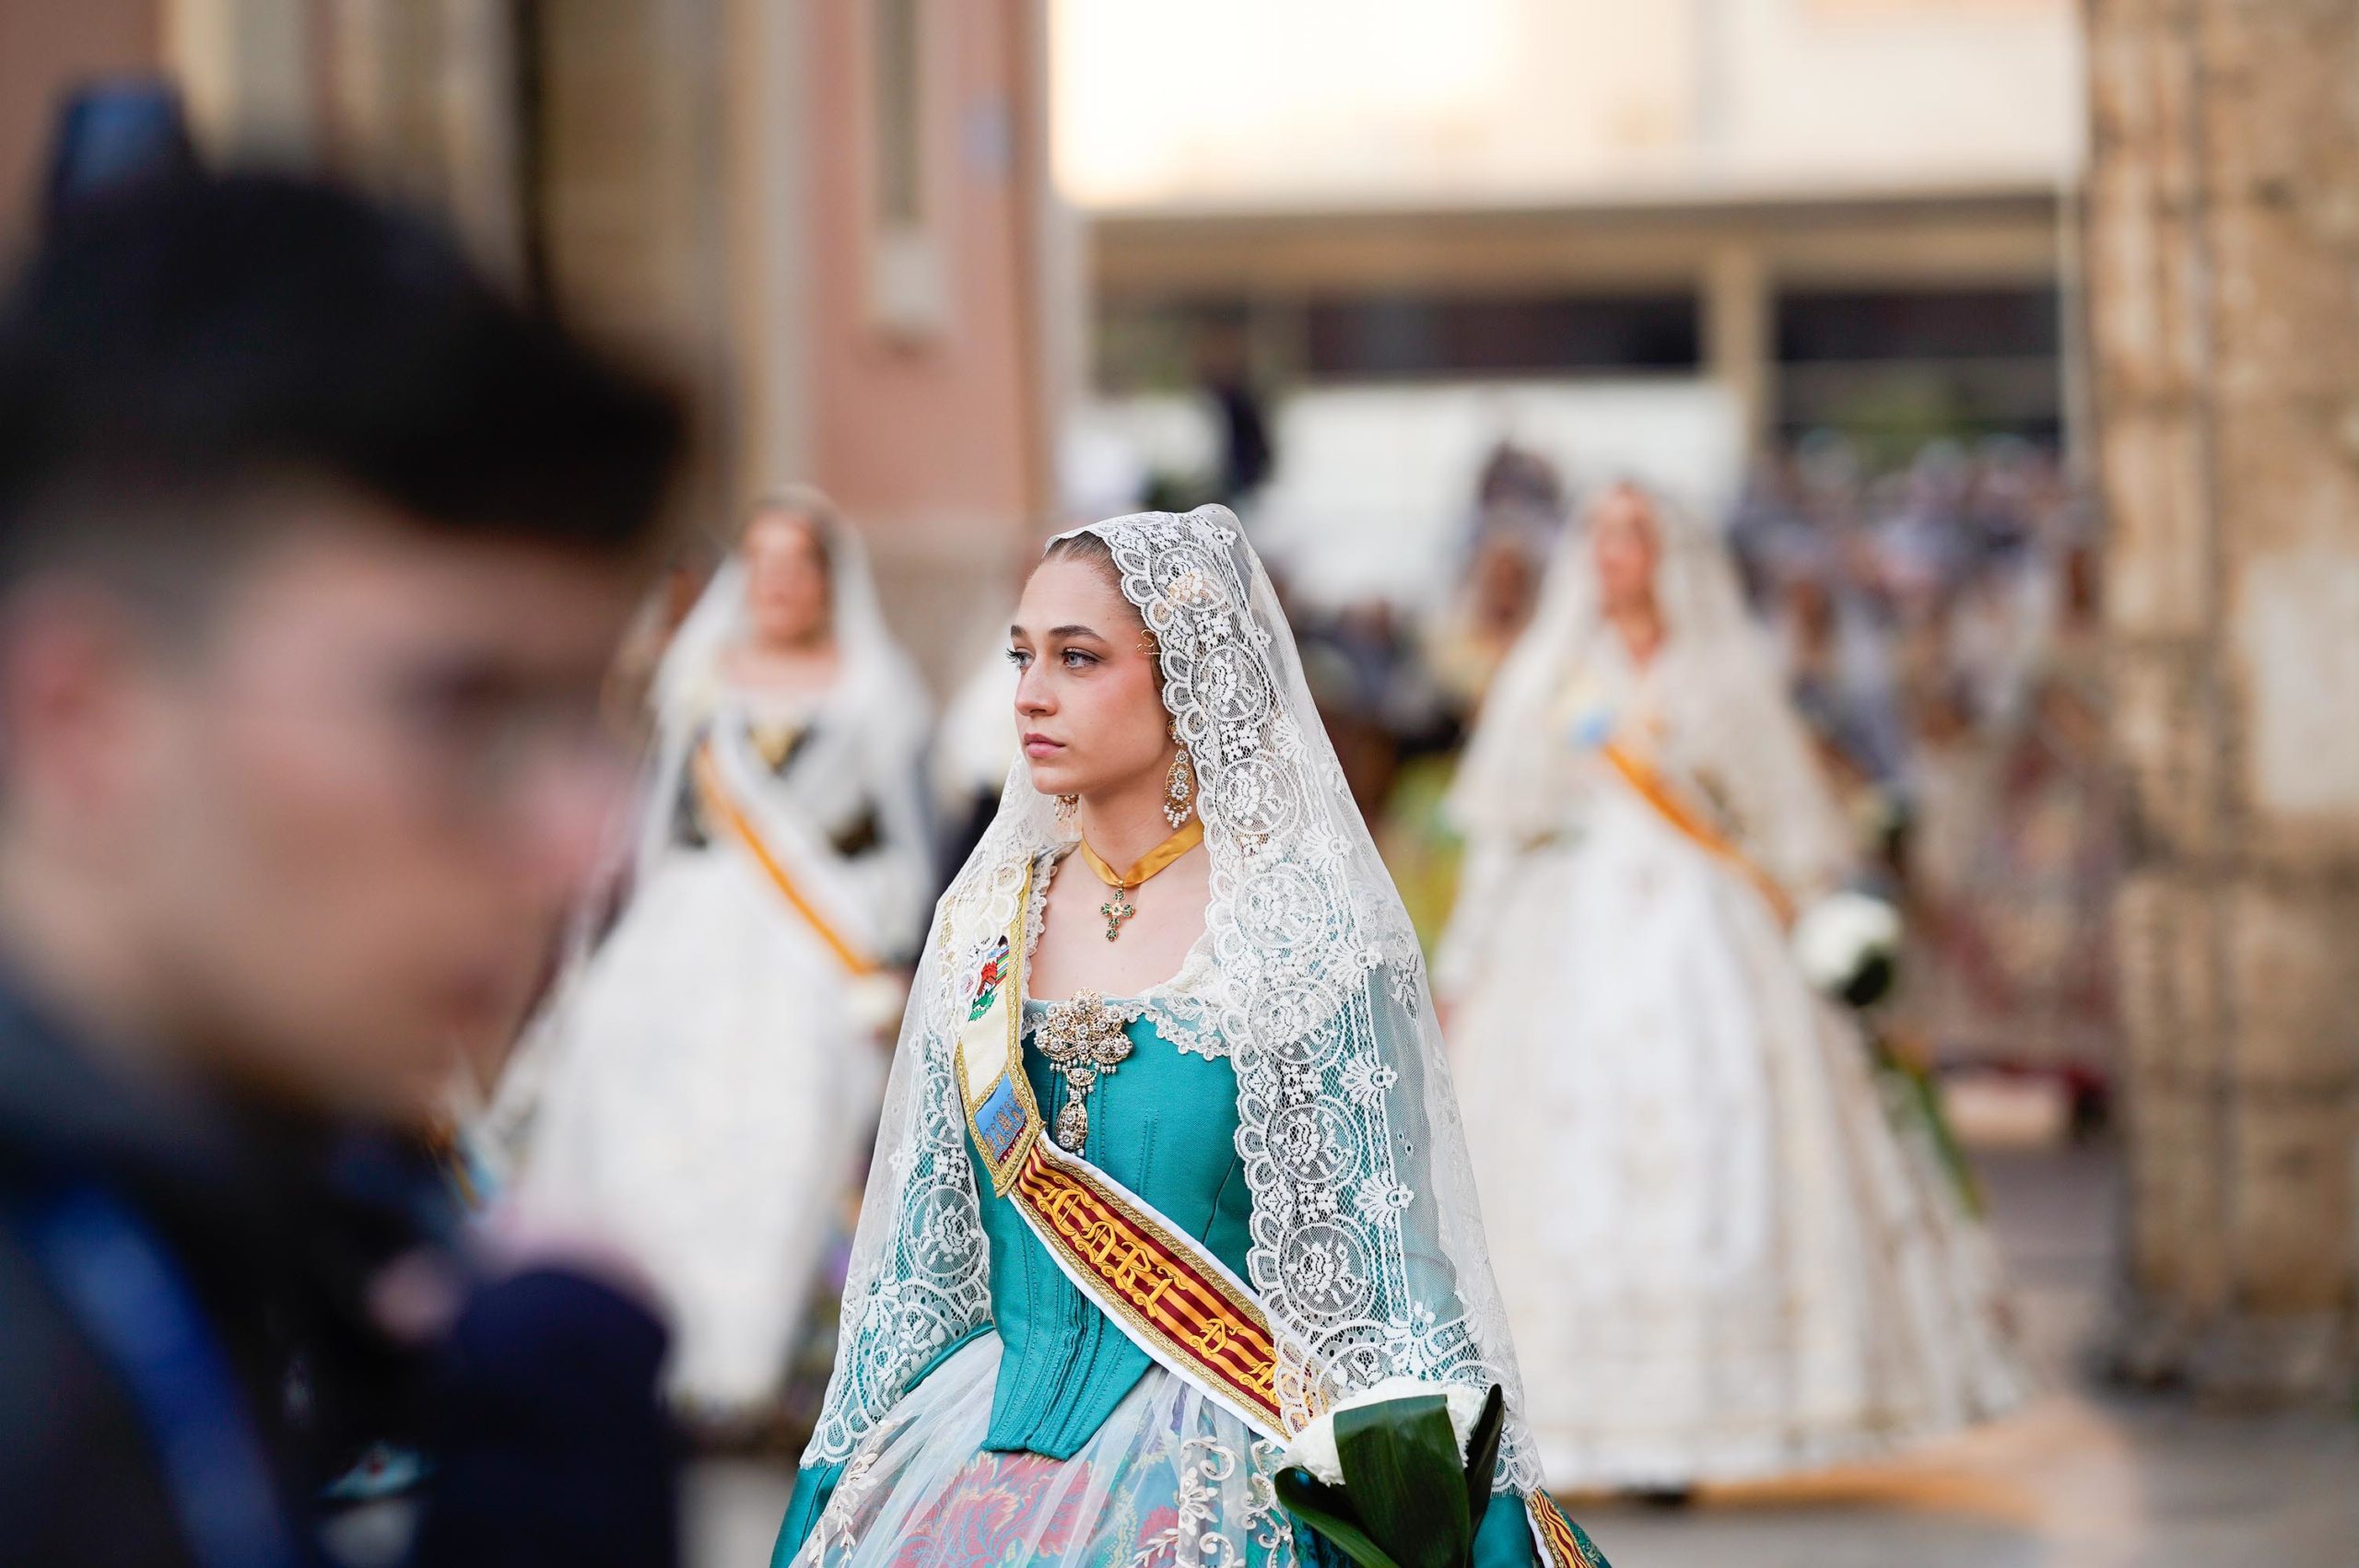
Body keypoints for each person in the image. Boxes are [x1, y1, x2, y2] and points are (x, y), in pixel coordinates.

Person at [0, 171, 687, 1566]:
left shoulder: (222, 1220)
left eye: (586, 721)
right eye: (459, 708)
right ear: (81, 720)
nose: (587, 839)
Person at [770, 507, 1612, 1568]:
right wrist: (840, 1486)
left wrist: (1442, 1509)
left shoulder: (1298, 927)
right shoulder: (979, 922)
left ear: (1190, 677)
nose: (1030, 693)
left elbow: (1387, 1272)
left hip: (1226, 1459)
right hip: (962, 1463)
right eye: (1021, 656)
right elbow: (914, 1271)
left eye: (1079, 659)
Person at [1437, 484, 2026, 1493]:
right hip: (1573, 926)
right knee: (1567, 1147)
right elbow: (1505, 829)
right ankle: (1578, 1417)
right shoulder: (1553, 672)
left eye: (1635, 533)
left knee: (1732, 1131)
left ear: (1670, 551)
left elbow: (1782, 820)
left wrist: (1828, 927)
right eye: (1602, 533)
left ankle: (1714, 1416)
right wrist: (1459, 966)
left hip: (1711, 925)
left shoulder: (1724, 666)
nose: (1616, 552)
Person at [507, 488, 933, 1425]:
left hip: (811, 941)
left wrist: (895, 950)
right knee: (647, 1124)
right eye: (763, 562)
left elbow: (904, 835)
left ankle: (756, 1363)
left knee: (784, 1131)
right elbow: (651, 819)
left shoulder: (875, 686)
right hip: (689, 928)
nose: (778, 584)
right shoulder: (698, 675)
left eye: (797, 564)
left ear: (826, 579)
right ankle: (632, 1345)